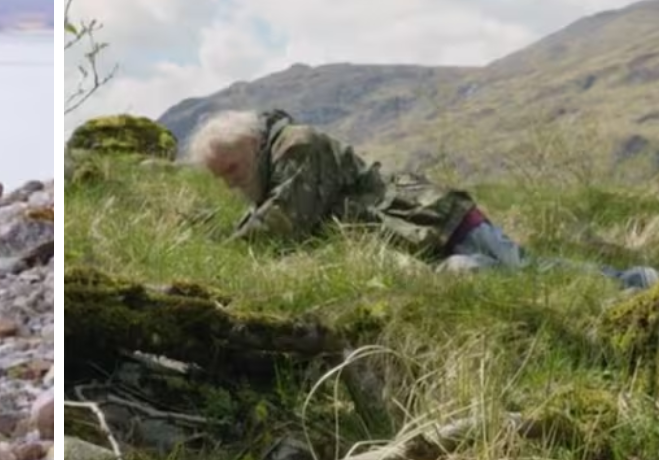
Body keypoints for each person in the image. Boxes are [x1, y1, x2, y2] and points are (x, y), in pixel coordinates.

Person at [186, 108, 658, 290]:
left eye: (230, 169)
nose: (229, 184)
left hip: (443, 223)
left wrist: (217, 256)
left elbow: (285, 222)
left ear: (250, 144)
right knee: (510, 280)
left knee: (531, 273)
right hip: (423, 237)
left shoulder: (296, 146)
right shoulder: (272, 163)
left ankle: (636, 282)